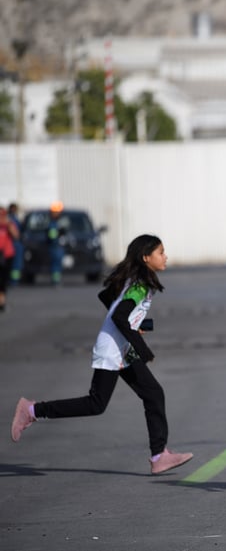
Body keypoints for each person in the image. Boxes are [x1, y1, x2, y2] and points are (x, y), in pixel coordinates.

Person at [10, 234, 194, 474]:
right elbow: (119, 316)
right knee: (96, 404)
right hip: (112, 350)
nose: (165, 256)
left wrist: (134, 325)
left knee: (153, 393)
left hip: (123, 350)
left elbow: (106, 297)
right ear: (146, 257)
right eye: (160, 252)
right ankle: (32, 410)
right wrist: (142, 346)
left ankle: (159, 455)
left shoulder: (139, 279)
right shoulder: (140, 284)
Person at [0, 206, 20, 311]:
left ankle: (2, 302)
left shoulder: (9, 224)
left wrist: (8, 225)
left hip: (6, 255)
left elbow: (16, 236)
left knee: (3, 280)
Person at [47, 201, 65, 286]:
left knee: (57, 265)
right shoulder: (52, 224)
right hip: (55, 247)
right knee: (55, 265)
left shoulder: (57, 223)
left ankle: (56, 280)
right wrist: (59, 233)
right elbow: (52, 237)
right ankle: (55, 281)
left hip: (58, 247)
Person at [7, 203, 23, 286]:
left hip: (14, 244)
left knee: (15, 264)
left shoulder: (11, 218)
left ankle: (14, 281)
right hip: (13, 244)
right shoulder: (11, 219)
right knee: (15, 264)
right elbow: (15, 234)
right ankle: (14, 281)